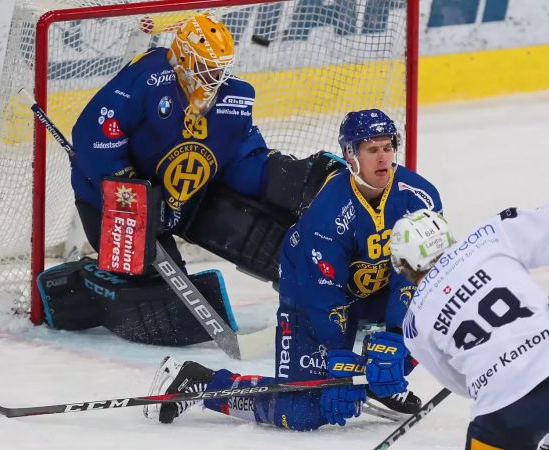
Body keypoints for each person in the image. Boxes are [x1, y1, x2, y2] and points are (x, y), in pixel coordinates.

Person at [38, 13, 338, 346]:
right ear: (182, 59)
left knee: (267, 231)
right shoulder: (144, 79)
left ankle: (321, 284)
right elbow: (94, 136)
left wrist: (284, 179)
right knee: (163, 300)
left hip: (188, 197)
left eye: (219, 69)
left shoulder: (233, 99)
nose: (214, 78)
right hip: (117, 204)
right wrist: (132, 191)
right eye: (206, 67)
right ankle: (84, 282)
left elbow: (241, 159)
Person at [143, 108, 443, 430]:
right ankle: (201, 384)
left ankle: (373, 381)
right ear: (350, 155)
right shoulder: (329, 212)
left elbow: (417, 274)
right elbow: (322, 296)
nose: (383, 158)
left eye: (388, 147)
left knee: (437, 310)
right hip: (308, 298)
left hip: (374, 291)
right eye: (372, 149)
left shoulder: (419, 196)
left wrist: (396, 339)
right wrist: (338, 357)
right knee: (300, 413)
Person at [387, 204, 549, 449]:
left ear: (404, 264)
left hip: (505, 417)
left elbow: (460, 384)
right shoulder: (489, 237)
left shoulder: (414, 323)